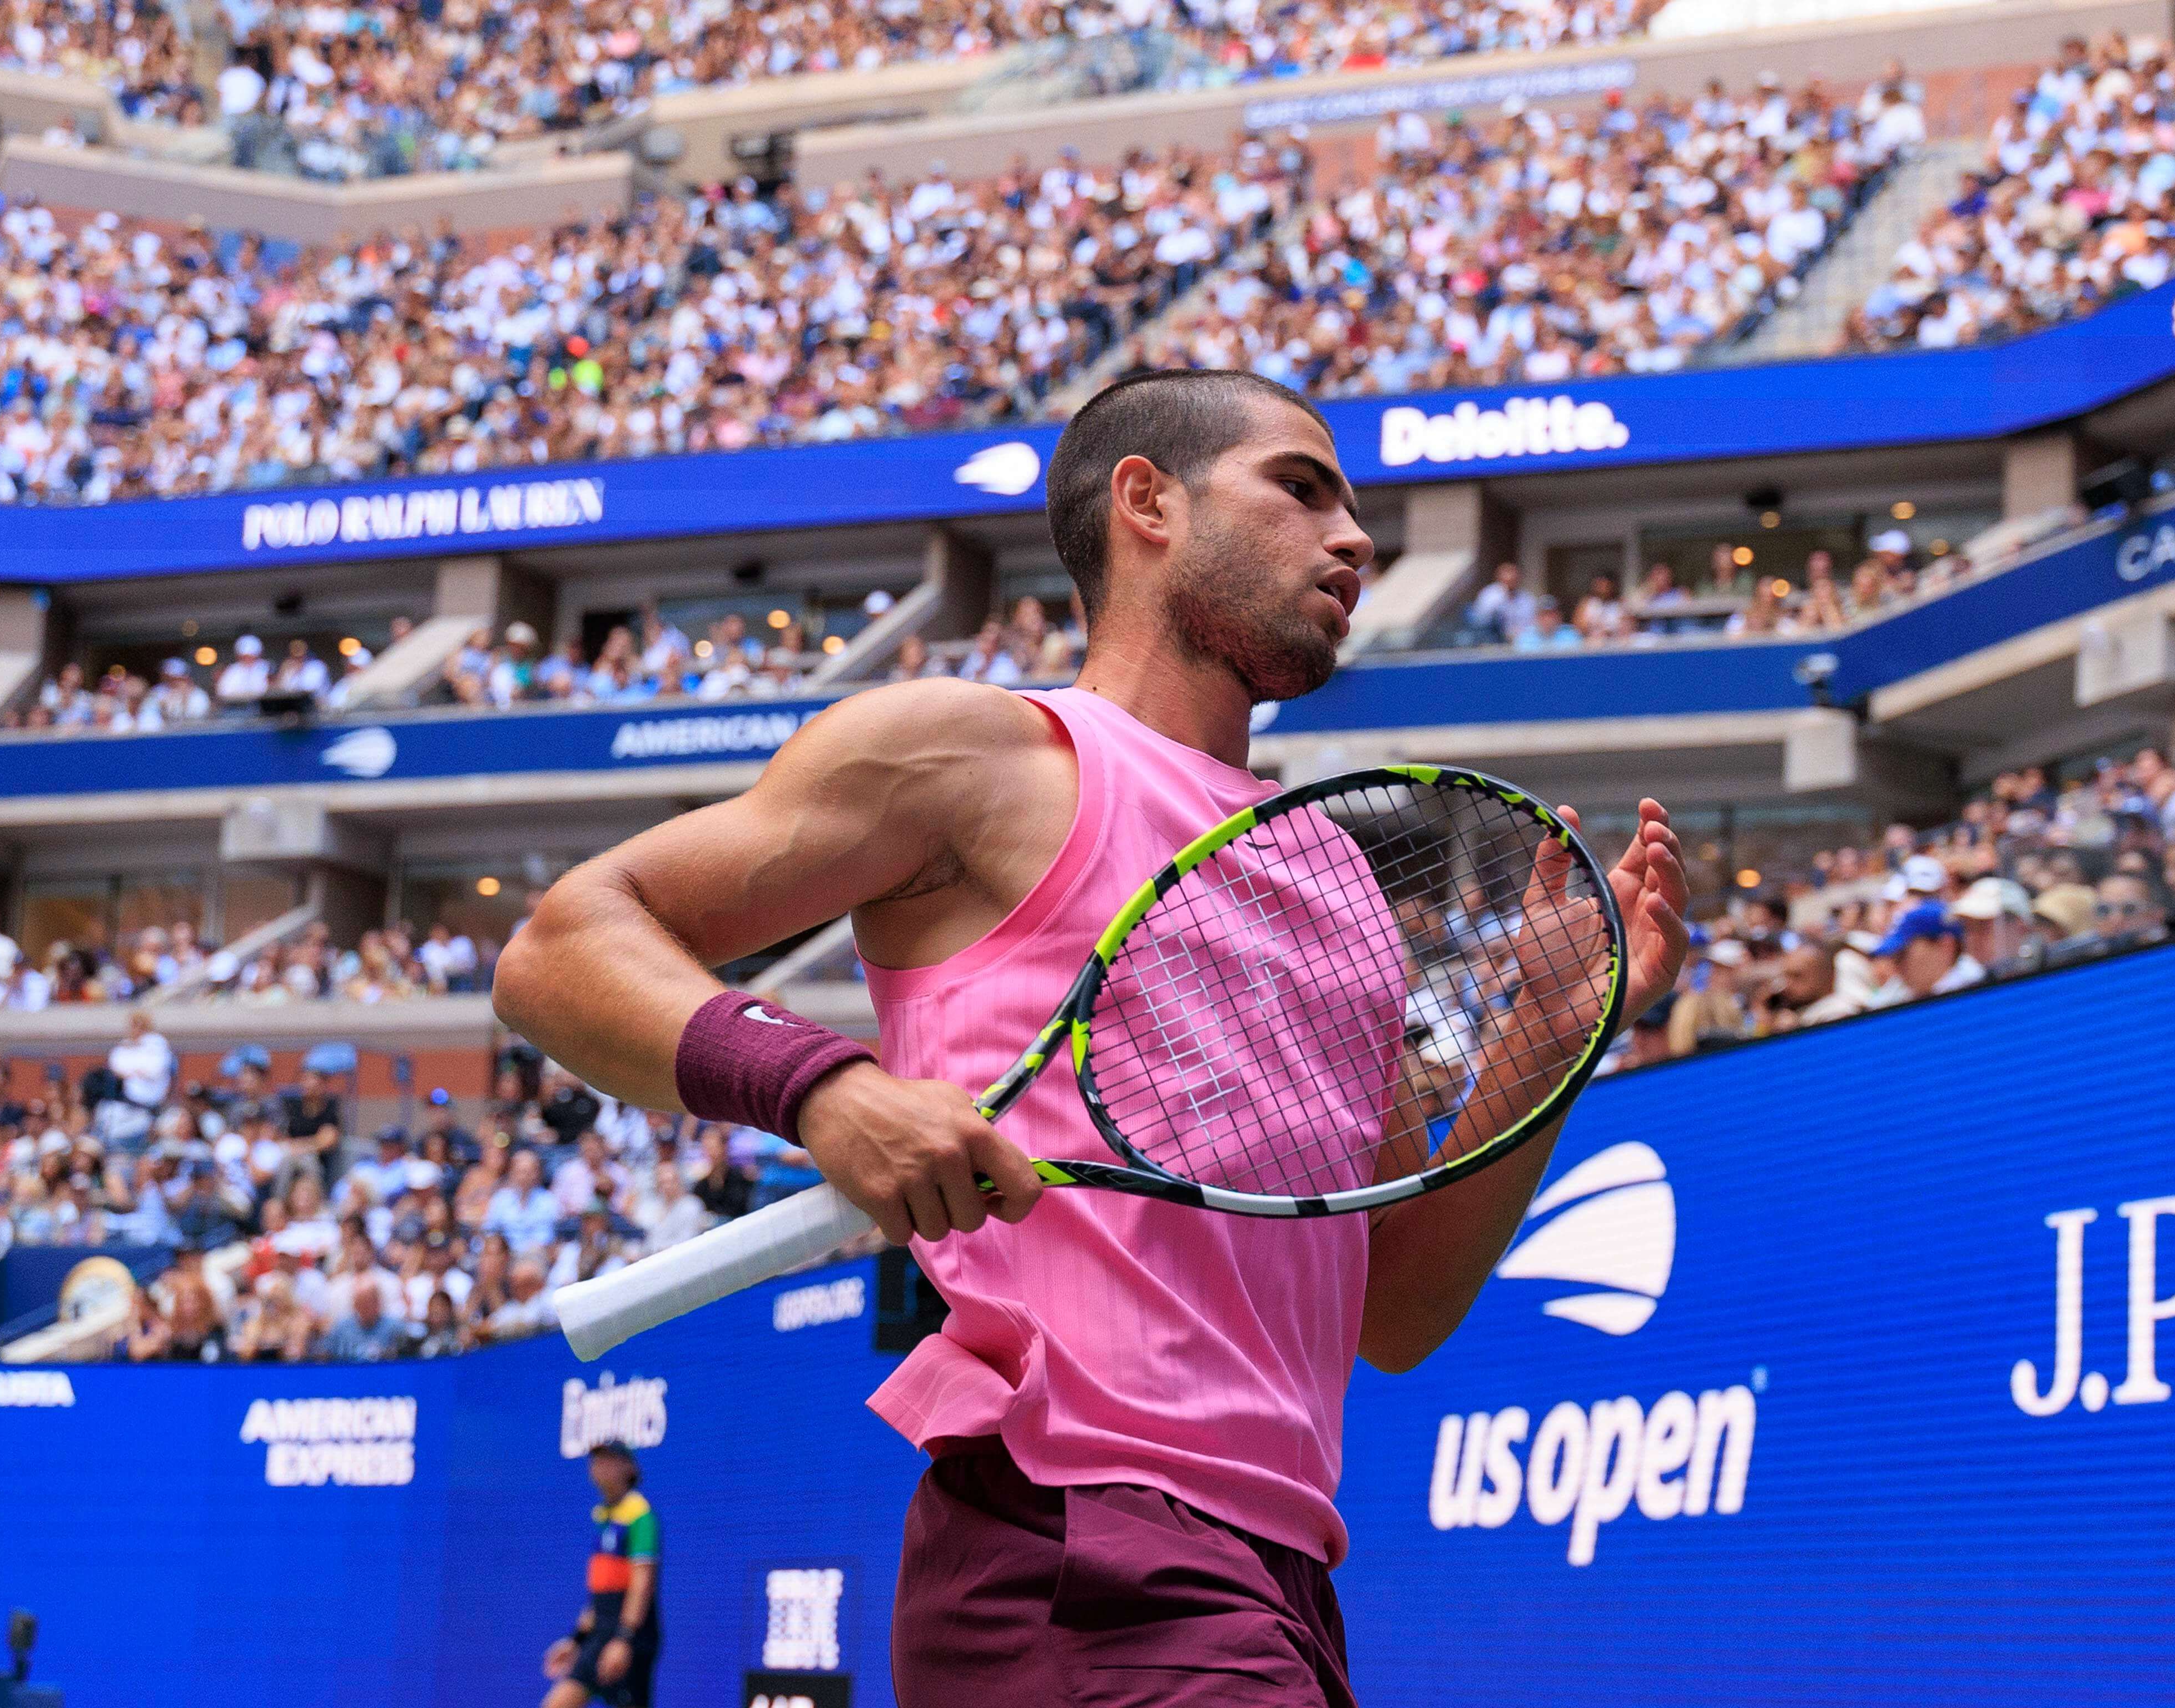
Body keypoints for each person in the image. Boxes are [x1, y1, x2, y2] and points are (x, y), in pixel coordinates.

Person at [494, 369, 1691, 1705]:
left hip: (1280, 1575)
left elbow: (1393, 1310)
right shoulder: (975, 754)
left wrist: (1554, 1019)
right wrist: (824, 1088)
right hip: (1079, 1547)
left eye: (1352, 504)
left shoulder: (1338, 881)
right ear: (1147, 502)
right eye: (1300, 488)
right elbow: (561, 946)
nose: (1355, 536)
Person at [542, 1441, 660, 1708]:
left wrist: (624, 1640)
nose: (599, 1468)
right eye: (596, 1461)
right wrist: (576, 1640)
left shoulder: (639, 1515)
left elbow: (641, 1585)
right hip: (599, 1638)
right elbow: (601, 1595)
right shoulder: (603, 1516)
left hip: (631, 1640)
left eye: (608, 1461)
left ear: (628, 1467)